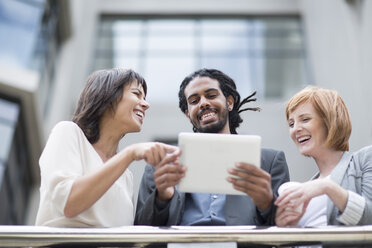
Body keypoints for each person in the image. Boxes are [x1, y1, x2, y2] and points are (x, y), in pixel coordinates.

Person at [135, 68, 289, 226]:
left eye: (211, 95)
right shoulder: (160, 165)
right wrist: (162, 198)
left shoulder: (270, 162)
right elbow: (140, 230)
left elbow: (287, 229)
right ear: (188, 114)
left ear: (229, 102)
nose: (203, 103)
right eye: (194, 101)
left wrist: (266, 203)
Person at [35, 68, 179, 227]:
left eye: (144, 97)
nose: (146, 104)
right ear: (108, 96)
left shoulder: (126, 176)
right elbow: (70, 203)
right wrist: (130, 154)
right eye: (136, 94)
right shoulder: (68, 132)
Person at [275, 85, 372, 227]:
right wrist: (285, 229)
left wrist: (327, 188)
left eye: (305, 119)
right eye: (291, 123)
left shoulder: (365, 160)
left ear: (329, 121)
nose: (295, 129)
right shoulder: (307, 188)